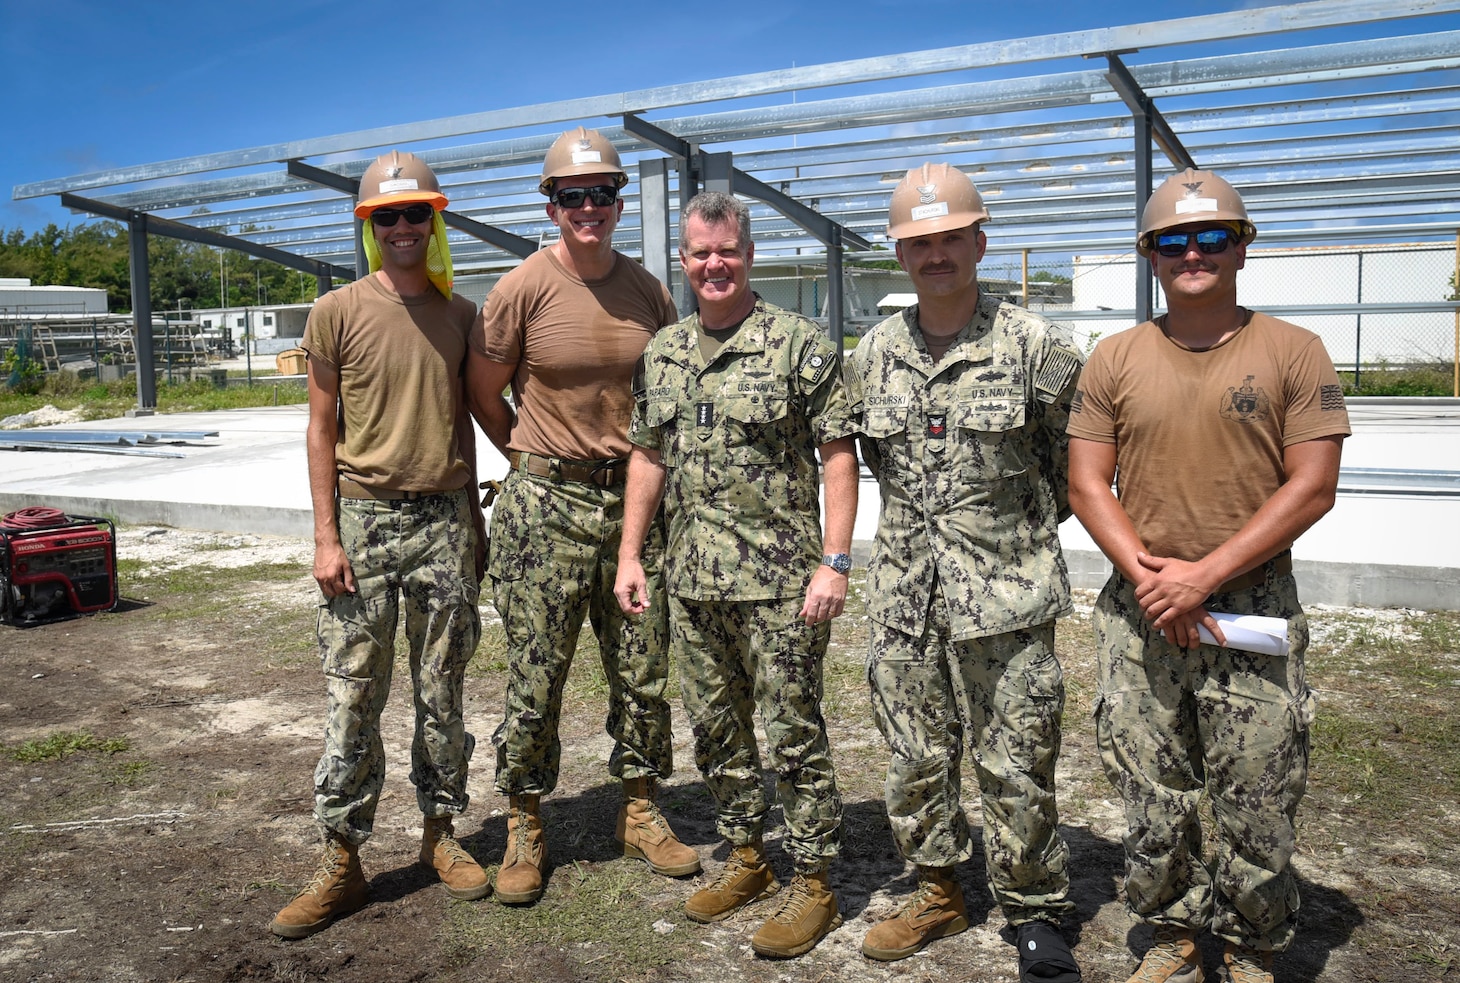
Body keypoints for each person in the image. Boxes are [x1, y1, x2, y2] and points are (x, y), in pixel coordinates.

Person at [1067, 168, 1348, 983]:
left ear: (1241, 248)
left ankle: (1256, 941)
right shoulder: (1116, 357)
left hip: (1249, 607)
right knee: (1152, 786)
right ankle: (1172, 930)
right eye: (1173, 241)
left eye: (1213, 237)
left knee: (1259, 789)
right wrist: (1153, 577)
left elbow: (1313, 484)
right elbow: (1088, 482)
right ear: (1150, 255)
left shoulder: (1293, 351)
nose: (1193, 252)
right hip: (1142, 607)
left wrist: (1206, 575)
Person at [846, 162, 1083, 981]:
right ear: (900, 253)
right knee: (914, 752)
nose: (936, 253)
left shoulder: (1036, 347)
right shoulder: (872, 355)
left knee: (1016, 758)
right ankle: (938, 886)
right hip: (907, 593)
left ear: (981, 239)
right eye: (920, 241)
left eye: (951, 237)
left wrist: (1010, 543)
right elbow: (877, 465)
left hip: (1009, 597)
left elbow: (1073, 468)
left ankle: (1035, 911)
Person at [613, 191, 857, 959]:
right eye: (698, 253)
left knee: (793, 733)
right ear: (682, 260)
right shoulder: (666, 351)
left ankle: (814, 877)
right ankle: (748, 856)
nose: (713, 265)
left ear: (749, 255)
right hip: (693, 582)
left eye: (727, 251)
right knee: (718, 731)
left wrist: (836, 559)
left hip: (783, 585)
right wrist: (630, 552)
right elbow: (647, 454)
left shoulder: (798, 344)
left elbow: (838, 453)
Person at [465, 126, 697, 905]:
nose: (589, 207)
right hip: (544, 512)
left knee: (642, 666)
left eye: (602, 194)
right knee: (537, 673)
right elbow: (482, 387)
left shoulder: (648, 291)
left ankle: (640, 807)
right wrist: (526, 456)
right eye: (573, 196)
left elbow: (660, 405)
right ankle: (525, 823)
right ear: (552, 203)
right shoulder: (520, 288)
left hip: (629, 506)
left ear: (619, 201)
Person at [270, 150, 488, 939]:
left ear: (435, 220)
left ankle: (441, 833)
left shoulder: (460, 314)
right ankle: (341, 858)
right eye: (386, 216)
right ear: (367, 225)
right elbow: (320, 426)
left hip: (443, 525)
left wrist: (476, 523)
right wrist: (326, 537)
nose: (402, 227)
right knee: (354, 696)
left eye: (415, 213)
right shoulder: (335, 312)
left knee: (443, 692)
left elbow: (462, 421)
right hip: (363, 522)